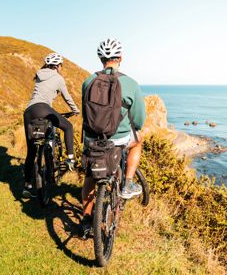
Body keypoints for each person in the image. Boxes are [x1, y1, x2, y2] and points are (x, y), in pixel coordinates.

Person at [81, 38, 145, 232]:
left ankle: (85, 221)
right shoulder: (131, 83)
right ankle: (127, 183)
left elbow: (86, 111)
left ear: (101, 58)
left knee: (90, 177)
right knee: (138, 143)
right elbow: (139, 117)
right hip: (118, 140)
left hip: (93, 138)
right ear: (120, 58)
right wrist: (136, 127)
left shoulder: (88, 81)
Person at [23, 52, 80, 198]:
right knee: (68, 127)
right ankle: (70, 158)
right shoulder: (58, 78)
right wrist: (75, 110)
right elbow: (67, 97)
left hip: (29, 111)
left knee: (31, 151)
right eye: (61, 65)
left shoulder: (39, 75)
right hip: (44, 108)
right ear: (58, 65)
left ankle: (27, 186)